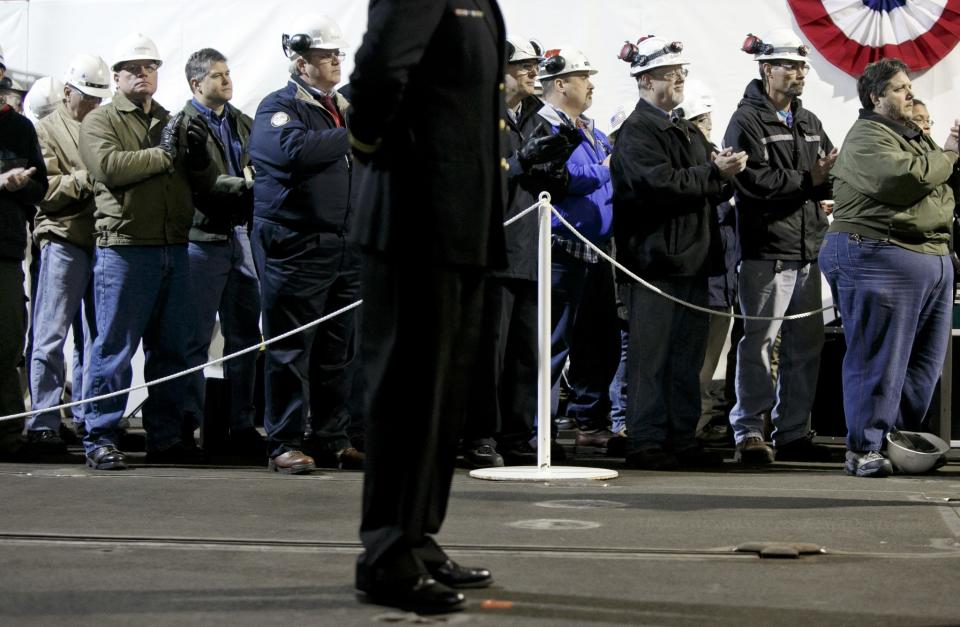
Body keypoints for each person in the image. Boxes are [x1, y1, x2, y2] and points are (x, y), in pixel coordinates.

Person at [347, 0, 506, 612]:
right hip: (414, 214)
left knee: (441, 399)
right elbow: (381, 68)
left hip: (461, 219)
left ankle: (417, 537)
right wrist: (370, 145)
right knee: (407, 393)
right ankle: (385, 554)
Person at [78, 32, 216, 470]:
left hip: (173, 248)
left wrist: (196, 155)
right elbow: (109, 168)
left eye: (151, 67)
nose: (144, 74)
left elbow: (201, 178)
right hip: (125, 249)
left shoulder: (170, 118)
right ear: (116, 75)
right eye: (135, 68)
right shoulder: (100, 121)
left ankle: (166, 436)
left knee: (171, 349)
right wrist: (163, 154)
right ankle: (100, 435)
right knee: (114, 348)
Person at [611, 35, 746, 470]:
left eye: (682, 73)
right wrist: (712, 172)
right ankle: (647, 438)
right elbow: (658, 184)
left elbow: (703, 184)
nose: (681, 80)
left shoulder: (684, 129)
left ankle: (680, 436)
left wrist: (722, 174)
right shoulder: (637, 132)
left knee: (685, 358)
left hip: (691, 259)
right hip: (655, 263)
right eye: (672, 75)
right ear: (647, 79)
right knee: (652, 357)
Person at [820, 57, 959, 477]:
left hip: (928, 256)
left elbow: (942, 191)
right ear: (875, 96)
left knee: (922, 366)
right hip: (879, 255)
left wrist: (944, 160)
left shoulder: (915, 138)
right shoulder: (866, 136)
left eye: (909, 86)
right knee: (878, 357)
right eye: (900, 88)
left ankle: (895, 439)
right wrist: (949, 155)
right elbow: (903, 182)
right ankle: (864, 446)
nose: (909, 93)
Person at [248, 16, 362, 474]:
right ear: (300, 62)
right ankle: (284, 441)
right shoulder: (278, 107)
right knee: (291, 349)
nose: (336, 61)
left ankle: (332, 437)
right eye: (326, 55)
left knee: (339, 352)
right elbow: (290, 151)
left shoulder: (340, 108)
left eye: (338, 55)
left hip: (344, 245)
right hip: (296, 246)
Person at [460, 36, 579, 468]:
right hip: (491, 252)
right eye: (523, 66)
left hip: (531, 249)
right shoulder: (474, 116)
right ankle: (479, 434)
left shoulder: (534, 116)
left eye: (533, 66)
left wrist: (557, 162)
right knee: (487, 353)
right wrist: (521, 163)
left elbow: (550, 184)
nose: (533, 73)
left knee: (527, 352)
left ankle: (516, 433)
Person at [723, 30, 837, 465]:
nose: (799, 73)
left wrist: (822, 182)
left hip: (808, 249)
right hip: (766, 251)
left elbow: (826, 169)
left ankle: (793, 431)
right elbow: (752, 184)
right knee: (759, 342)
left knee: (805, 344)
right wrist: (810, 181)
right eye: (790, 66)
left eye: (802, 66)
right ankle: (750, 430)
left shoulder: (808, 120)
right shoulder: (745, 120)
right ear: (766, 69)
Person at [180, 48, 265, 459]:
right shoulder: (182, 126)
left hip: (241, 237)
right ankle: (188, 425)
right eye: (217, 76)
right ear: (197, 84)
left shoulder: (242, 123)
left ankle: (243, 425)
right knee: (194, 338)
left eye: (228, 73)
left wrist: (247, 184)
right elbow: (203, 183)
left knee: (246, 337)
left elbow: (257, 171)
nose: (226, 80)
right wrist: (245, 184)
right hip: (202, 239)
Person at [535, 46, 620, 450]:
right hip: (562, 245)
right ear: (560, 83)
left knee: (597, 343)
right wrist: (605, 169)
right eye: (583, 77)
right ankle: (541, 430)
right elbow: (559, 177)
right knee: (554, 343)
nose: (590, 84)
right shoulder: (545, 129)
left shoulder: (591, 128)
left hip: (597, 247)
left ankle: (590, 420)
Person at [26, 53, 111, 455]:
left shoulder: (105, 126)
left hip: (103, 241)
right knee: (50, 333)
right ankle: (43, 419)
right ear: (66, 93)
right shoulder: (44, 130)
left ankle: (87, 415)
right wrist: (90, 177)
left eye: (99, 98)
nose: (95, 105)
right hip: (62, 240)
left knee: (96, 338)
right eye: (88, 97)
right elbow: (45, 190)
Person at [0, 44, 48, 458]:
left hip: (5, 249)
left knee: (7, 341)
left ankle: (7, 435)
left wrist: (22, 185)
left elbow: (41, 186)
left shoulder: (20, 128)